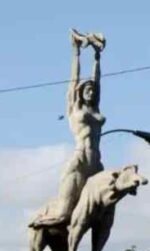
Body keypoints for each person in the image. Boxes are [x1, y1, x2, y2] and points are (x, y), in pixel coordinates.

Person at [29, 29, 106, 228]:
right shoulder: (75, 109)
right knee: (64, 213)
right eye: (86, 89)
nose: (90, 91)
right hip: (80, 161)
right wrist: (77, 53)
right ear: (80, 93)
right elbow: (73, 81)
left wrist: (97, 57)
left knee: (104, 212)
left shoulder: (95, 108)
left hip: (96, 162)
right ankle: (40, 223)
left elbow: (98, 80)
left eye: (92, 89)